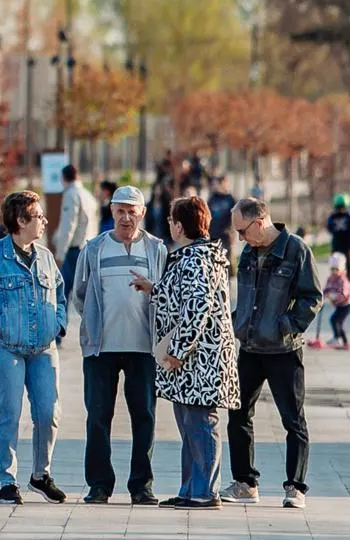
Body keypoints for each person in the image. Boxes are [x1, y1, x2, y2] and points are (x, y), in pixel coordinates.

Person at [0, 189, 69, 505]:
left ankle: (41, 475)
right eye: (39, 216)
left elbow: (61, 297)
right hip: (5, 348)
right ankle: (7, 480)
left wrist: (58, 325)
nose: (45, 221)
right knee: (9, 413)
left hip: (43, 350)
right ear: (21, 220)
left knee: (48, 412)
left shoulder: (46, 257)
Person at [70, 185, 166, 505]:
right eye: (120, 210)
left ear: (141, 212)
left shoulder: (157, 249)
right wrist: (96, 324)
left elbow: (165, 294)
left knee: (145, 417)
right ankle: (99, 484)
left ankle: (142, 485)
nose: (126, 217)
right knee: (98, 416)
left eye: (132, 211)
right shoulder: (94, 248)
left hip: (144, 347)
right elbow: (80, 296)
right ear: (111, 212)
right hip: (102, 348)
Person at [223, 197, 321, 509]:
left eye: (242, 230)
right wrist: (236, 322)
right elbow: (248, 296)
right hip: (250, 346)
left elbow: (312, 297)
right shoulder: (249, 253)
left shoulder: (296, 250)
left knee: (293, 419)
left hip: (282, 349)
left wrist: (288, 325)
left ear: (259, 222)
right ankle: (245, 482)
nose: (240, 238)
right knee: (237, 414)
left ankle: (295, 487)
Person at [151, 194, 239, 510]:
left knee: (201, 424)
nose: (170, 226)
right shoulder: (199, 256)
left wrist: (177, 351)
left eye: (173, 221)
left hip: (199, 360)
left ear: (180, 226)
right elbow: (184, 297)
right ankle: (190, 488)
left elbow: (197, 307)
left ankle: (204, 491)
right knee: (190, 424)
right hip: (195, 361)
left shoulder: (195, 259)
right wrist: (154, 290)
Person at [53, 164, 100, 287]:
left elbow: (68, 225)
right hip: (88, 246)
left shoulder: (70, 195)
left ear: (64, 178)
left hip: (74, 249)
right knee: (85, 288)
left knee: (63, 287)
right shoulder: (88, 195)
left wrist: (60, 253)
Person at [321, 253, 350, 350]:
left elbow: (344, 294)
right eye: (332, 269)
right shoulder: (330, 279)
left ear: (341, 269)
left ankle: (338, 338)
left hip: (346, 304)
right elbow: (326, 289)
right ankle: (344, 341)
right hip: (339, 305)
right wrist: (322, 296)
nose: (334, 272)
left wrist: (334, 297)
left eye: (337, 269)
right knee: (338, 322)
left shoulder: (343, 280)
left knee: (335, 320)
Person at [325, 194, 350, 268]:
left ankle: (339, 277)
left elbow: (329, 228)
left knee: (338, 263)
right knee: (345, 263)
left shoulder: (333, 217)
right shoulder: (348, 216)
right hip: (345, 244)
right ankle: (346, 278)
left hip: (339, 243)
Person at [206, 176, 237, 247]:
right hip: (213, 234)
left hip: (226, 236)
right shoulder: (212, 198)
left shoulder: (231, 199)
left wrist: (231, 231)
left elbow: (234, 216)